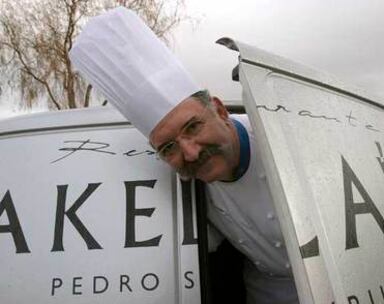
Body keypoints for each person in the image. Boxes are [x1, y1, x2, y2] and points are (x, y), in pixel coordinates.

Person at [70, 7, 298, 304]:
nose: (190, 153)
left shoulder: (283, 139)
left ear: (219, 109)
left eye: (193, 126)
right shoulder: (178, 187)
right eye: (168, 148)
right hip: (263, 294)